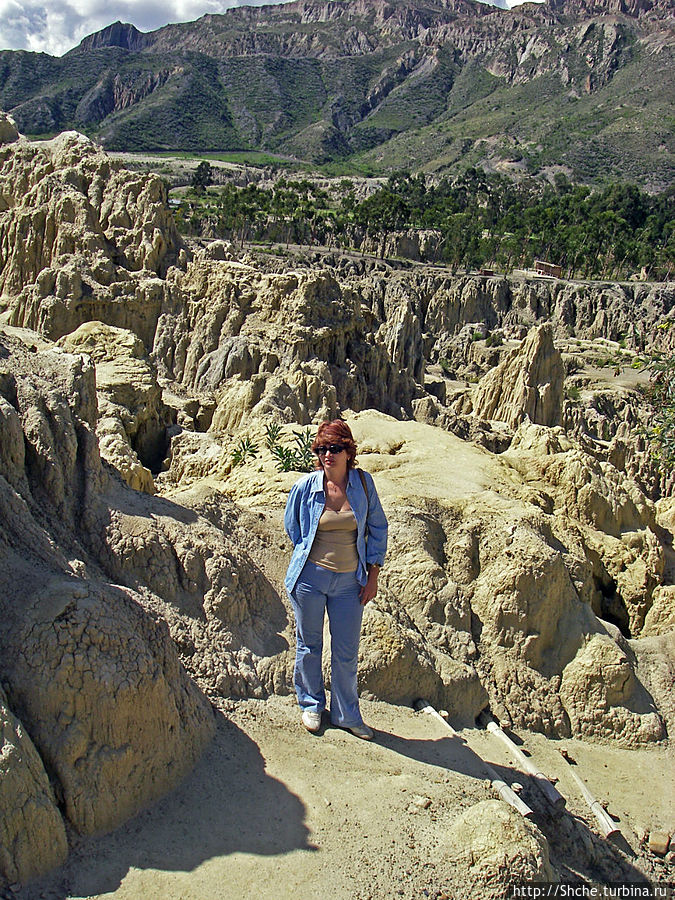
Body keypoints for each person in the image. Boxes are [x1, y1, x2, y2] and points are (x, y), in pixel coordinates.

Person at [284, 420, 388, 740]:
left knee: (345, 651)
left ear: (348, 451)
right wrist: (310, 557)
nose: (327, 454)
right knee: (309, 644)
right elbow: (293, 527)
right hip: (310, 580)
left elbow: (378, 530)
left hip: (349, 583)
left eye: (334, 448)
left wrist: (372, 577)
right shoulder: (306, 487)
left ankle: (346, 714)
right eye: (321, 449)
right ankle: (312, 704)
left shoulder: (364, 485)